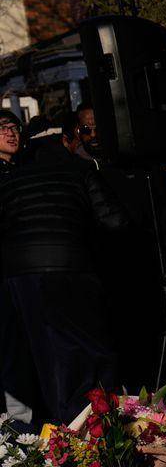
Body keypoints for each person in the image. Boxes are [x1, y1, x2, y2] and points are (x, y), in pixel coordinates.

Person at [0, 107, 127, 424]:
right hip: (49, 274)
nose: (11, 132)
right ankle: (83, 434)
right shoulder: (75, 171)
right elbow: (115, 222)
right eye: (2, 128)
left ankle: (70, 437)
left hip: (26, 277)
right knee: (64, 359)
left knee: (49, 362)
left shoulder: (19, 175)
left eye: (13, 126)